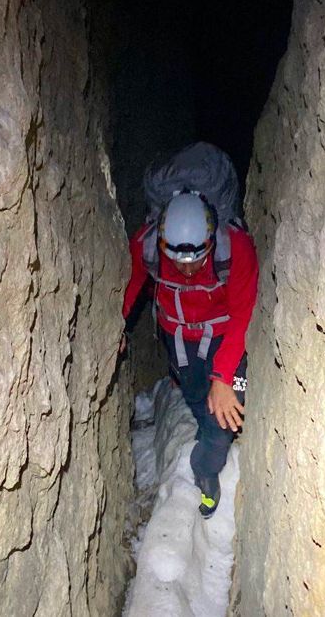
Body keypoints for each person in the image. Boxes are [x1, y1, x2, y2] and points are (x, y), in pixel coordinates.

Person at [121, 188, 259, 518]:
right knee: (196, 396)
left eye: (196, 260)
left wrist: (223, 377)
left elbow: (243, 315)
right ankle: (202, 423)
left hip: (224, 338)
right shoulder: (147, 245)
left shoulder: (235, 248)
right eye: (178, 261)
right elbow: (131, 281)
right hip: (179, 338)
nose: (186, 270)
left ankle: (205, 468)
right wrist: (118, 324)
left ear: (210, 241)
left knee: (224, 420)